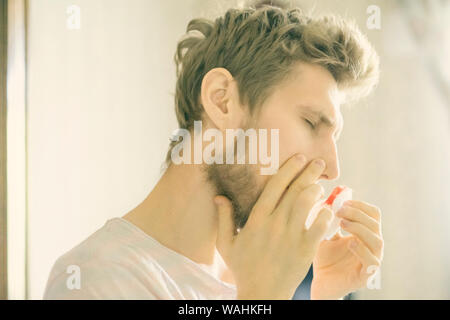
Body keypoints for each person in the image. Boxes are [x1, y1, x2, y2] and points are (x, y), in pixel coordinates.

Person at [44, 5, 384, 300]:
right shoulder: (96, 280)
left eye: (334, 136)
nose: (332, 169)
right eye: (310, 123)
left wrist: (322, 294)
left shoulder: (257, 270)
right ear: (221, 100)